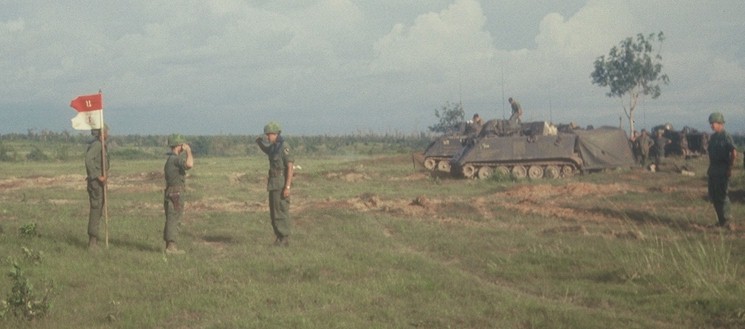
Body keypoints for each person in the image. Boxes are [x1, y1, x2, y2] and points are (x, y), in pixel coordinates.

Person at [255, 122, 294, 246]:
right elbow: (267, 150)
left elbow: (290, 167)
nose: (267, 137)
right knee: (273, 212)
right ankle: (278, 236)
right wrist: (259, 142)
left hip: (281, 183)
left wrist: (287, 186)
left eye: (269, 135)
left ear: (276, 134)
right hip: (273, 182)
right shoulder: (274, 147)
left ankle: (284, 237)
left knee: (281, 210)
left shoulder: (284, 147)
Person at [163, 134, 194, 254]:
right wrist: (189, 151)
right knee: (174, 218)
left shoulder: (170, 159)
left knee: (172, 217)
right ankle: (171, 247)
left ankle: (170, 246)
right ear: (178, 146)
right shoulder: (175, 159)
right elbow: (190, 164)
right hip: (176, 192)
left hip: (172, 191)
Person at [706, 112, 737, 229]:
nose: (712, 126)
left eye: (713, 123)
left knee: (722, 195)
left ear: (720, 123)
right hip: (713, 169)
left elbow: (734, 152)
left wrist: (730, 167)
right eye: (711, 124)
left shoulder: (726, 136)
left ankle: (728, 221)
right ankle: (721, 221)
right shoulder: (713, 137)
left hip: (722, 169)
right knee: (714, 195)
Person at [85, 125, 110, 249]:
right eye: (107, 131)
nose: (108, 134)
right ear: (102, 133)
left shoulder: (101, 145)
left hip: (100, 184)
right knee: (96, 210)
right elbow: (88, 159)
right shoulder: (97, 145)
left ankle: (94, 241)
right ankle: (92, 242)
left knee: (99, 209)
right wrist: (97, 175)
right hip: (96, 184)